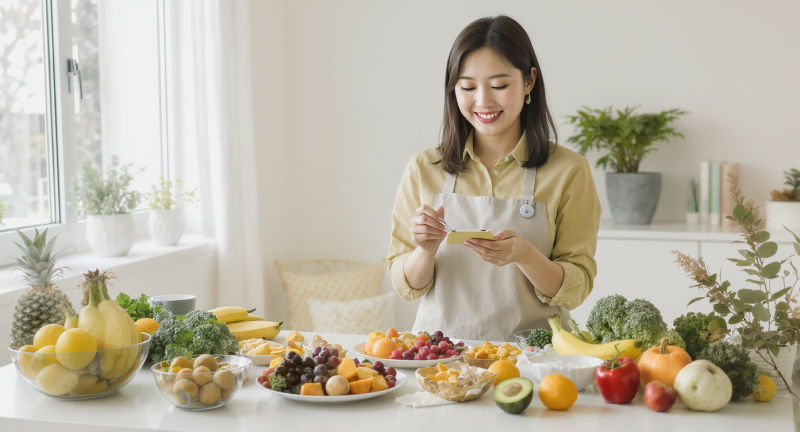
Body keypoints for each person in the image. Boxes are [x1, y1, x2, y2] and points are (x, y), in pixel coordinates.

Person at [386, 15, 601, 341]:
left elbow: (576, 288)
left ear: (529, 81)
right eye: (468, 86)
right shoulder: (424, 167)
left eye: (499, 85)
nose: (483, 101)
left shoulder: (569, 171)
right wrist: (425, 250)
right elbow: (407, 286)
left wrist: (525, 256)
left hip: (532, 361)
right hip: (439, 360)